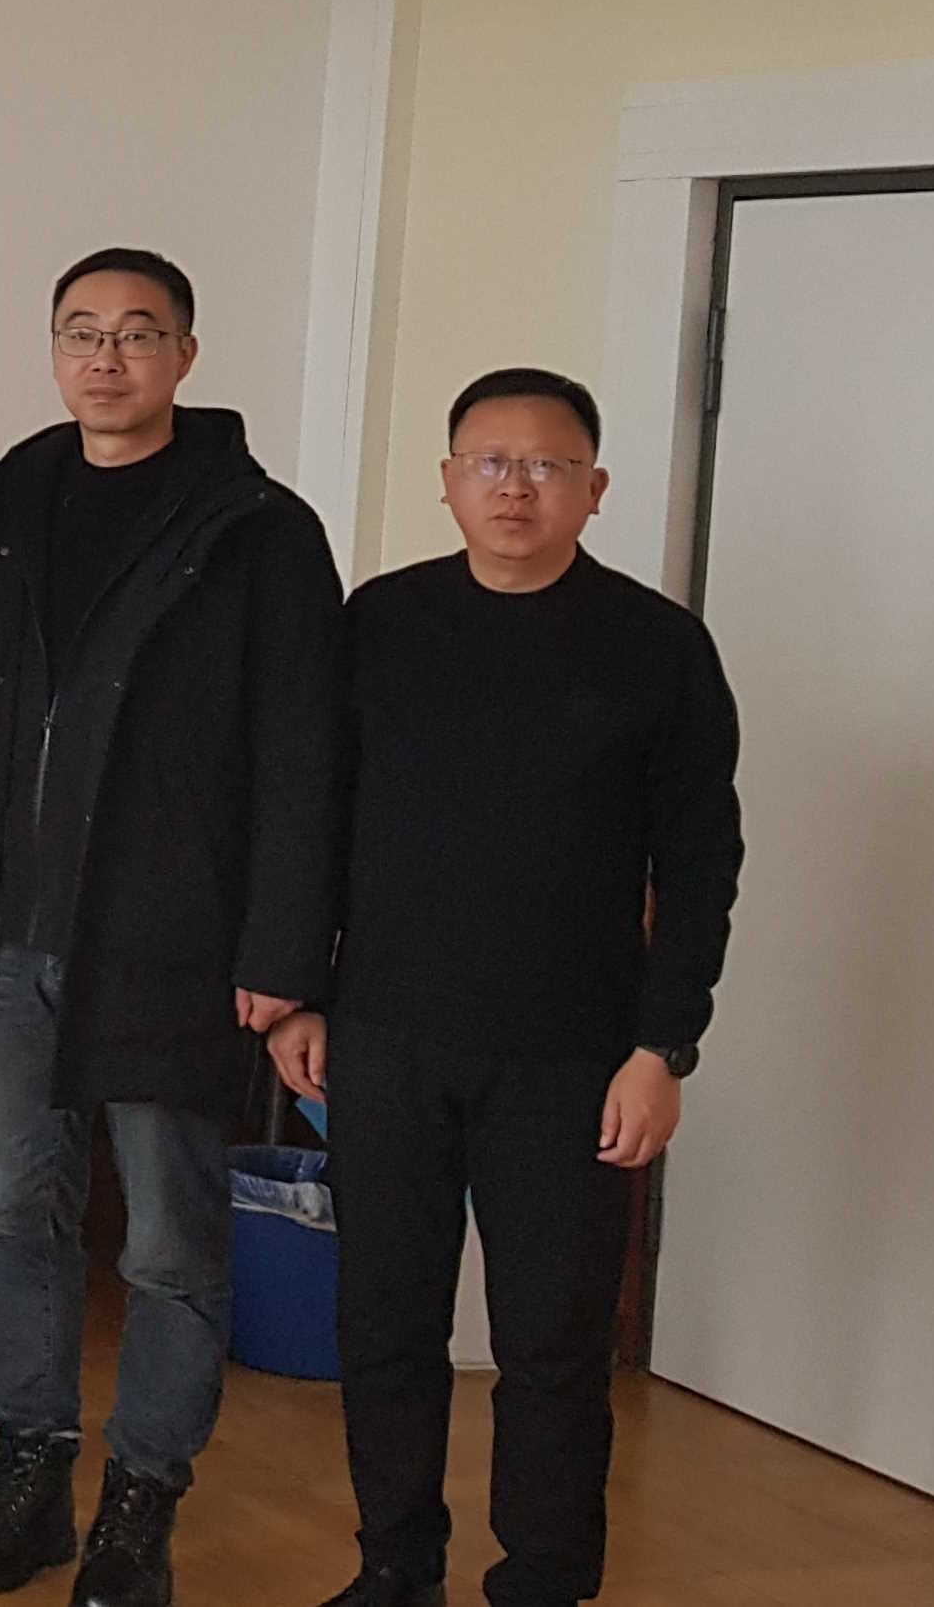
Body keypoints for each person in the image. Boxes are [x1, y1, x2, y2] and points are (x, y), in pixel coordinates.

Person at [268, 368, 742, 1607]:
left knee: (550, 1345)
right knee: (381, 1325)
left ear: (593, 487)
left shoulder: (655, 645)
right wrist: (297, 992)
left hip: (574, 1057)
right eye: (488, 460)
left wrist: (662, 1046)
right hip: (380, 1036)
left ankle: (539, 1579)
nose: (515, 484)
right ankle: (392, 1566)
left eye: (545, 464)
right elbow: (312, 816)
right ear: (445, 481)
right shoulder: (377, 619)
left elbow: (698, 862)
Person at [0, 248, 343, 1607]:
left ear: (187, 356)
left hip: (172, 946)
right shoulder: (6, 498)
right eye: (81, 333)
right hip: (7, 939)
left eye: (137, 335)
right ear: (52, 349)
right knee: (15, 1216)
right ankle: (31, 1471)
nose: (106, 358)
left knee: (166, 1243)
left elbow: (301, 756)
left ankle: (142, 1499)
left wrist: (280, 953)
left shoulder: (258, 528)